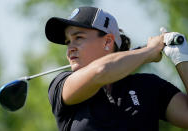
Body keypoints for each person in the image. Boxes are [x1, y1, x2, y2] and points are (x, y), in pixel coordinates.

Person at [45, 6, 188, 131]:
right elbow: (101, 71)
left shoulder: (148, 86)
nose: (70, 48)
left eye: (79, 38)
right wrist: (150, 51)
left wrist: (182, 59)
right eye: (68, 42)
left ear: (107, 41)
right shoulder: (60, 85)